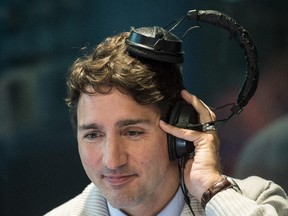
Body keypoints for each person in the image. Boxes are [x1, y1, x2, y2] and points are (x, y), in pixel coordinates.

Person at [45, 31, 288, 216]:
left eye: (132, 132)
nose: (112, 161)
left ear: (182, 131)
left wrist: (212, 190)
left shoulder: (258, 200)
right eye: (92, 135)